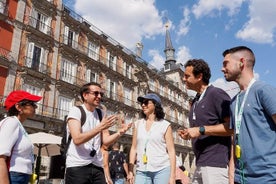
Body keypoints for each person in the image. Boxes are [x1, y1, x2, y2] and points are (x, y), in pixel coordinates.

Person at [221, 46, 276, 184]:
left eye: (225, 63)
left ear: (241, 62)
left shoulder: (263, 91)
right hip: (241, 179)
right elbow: (235, 138)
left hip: (267, 178)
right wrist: (232, 173)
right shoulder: (234, 101)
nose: (222, 69)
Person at [65, 82, 132, 184]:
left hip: (97, 165)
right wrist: (100, 127)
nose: (99, 96)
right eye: (96, 93)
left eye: (101, 94)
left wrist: (119, 133)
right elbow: (77, 139)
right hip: (77, 166)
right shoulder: (76, 111)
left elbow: (105, 141)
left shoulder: (101, 113)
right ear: (85, 95)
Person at [178, 59, 232, 184]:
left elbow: (232, 127)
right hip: (200, 162)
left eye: (187, 76)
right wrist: (189, 134)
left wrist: (201, 130)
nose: (184, 79)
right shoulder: (195, 101)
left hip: (216, 164)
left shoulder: (216, 94)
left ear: (199, 76)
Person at [128, 93, 176, 184]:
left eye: (146, 102)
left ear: (155, 105)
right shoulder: (137, 124)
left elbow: (171, 151)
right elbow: (134, 148)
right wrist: (130, 171)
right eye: (142, 102)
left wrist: (172, 176)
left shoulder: (165, 125)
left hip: (162, 169)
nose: (143, 105)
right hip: (141, 170)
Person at [0, 90, 42, 184]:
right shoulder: (11, 122)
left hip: (20, 176)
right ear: (19, 107)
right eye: (32, 103)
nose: (36, 106)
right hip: (13, 176)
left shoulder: (18, 125)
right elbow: (0, 156)